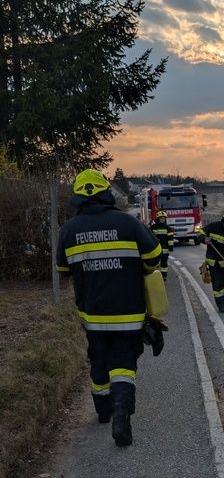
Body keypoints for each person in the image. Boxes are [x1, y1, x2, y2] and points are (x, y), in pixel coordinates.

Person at [56, 169, 163, 447]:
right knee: (124, 365)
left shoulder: (69, 229)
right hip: (129, 314)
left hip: (92, 314)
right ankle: (121, 411)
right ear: (106, 193)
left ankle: (103, 410)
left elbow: (62, 269)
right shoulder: (127, 224)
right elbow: (154, 257)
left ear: (78, 198)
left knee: (99, 359)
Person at [149, 209, 175, 280]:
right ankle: (156, 276)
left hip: (165, 249)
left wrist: (171, 247)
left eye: (164, 218)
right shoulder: (153, 227)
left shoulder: (168, 228)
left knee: (164, 264)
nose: (162, 219)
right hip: (155, 249)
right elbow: (150, 238)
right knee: (155, 263)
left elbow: (170, 238)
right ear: (158, 219)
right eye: (161, 218)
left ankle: (163, 276)